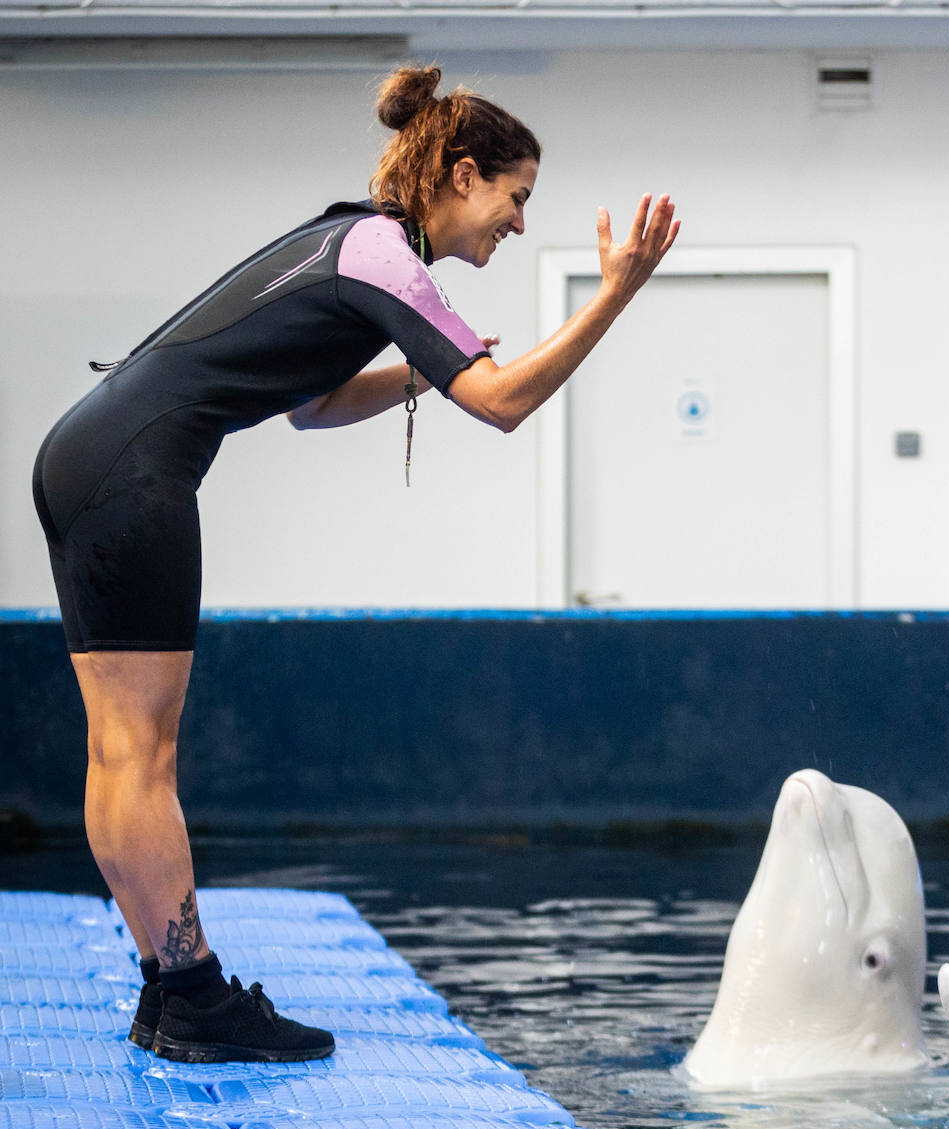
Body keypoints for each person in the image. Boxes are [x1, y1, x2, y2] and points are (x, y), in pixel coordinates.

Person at [31, 65, 680, 1063]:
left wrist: (412, 371)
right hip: (133, 472)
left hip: (89, 451)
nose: (514, 225)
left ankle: (169, 991)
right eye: (516, 200)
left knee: (121, 751)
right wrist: (616, 298)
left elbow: (311, 405)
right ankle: (194, 995)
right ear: (463, 174)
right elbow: (501, 403)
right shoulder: (386, 252)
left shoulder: (350, 242)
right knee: (139, 754)